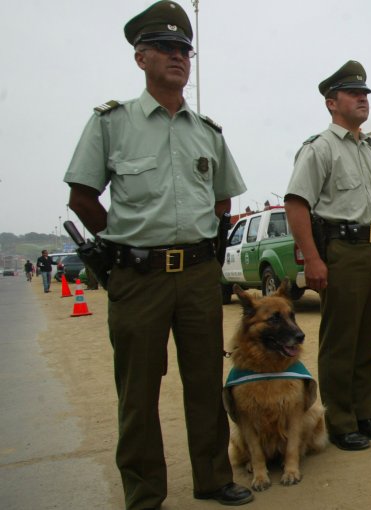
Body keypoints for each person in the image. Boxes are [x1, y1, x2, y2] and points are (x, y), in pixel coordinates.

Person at [63, 2, 252, 508]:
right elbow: (82, 197)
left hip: (197, 275)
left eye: (184, 50)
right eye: (165, 48)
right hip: (137, 277)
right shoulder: (112, 123)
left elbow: (223, 198)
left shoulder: (207, 131)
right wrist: (122, 237)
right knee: (138, 391)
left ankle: (214, 479)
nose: (178, 57)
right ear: (140, 58)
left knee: (204, 380)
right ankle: (145, 494)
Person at [284, 60, 371, 452]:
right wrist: (313, 259)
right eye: (354, 94)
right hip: (342, 251)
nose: (363, 99)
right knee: (341, 340)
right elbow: (296, 204)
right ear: (332, 103)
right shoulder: (320, 149)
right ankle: (341, 421)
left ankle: (366, 414)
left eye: (366, 93)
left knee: (370, 338)